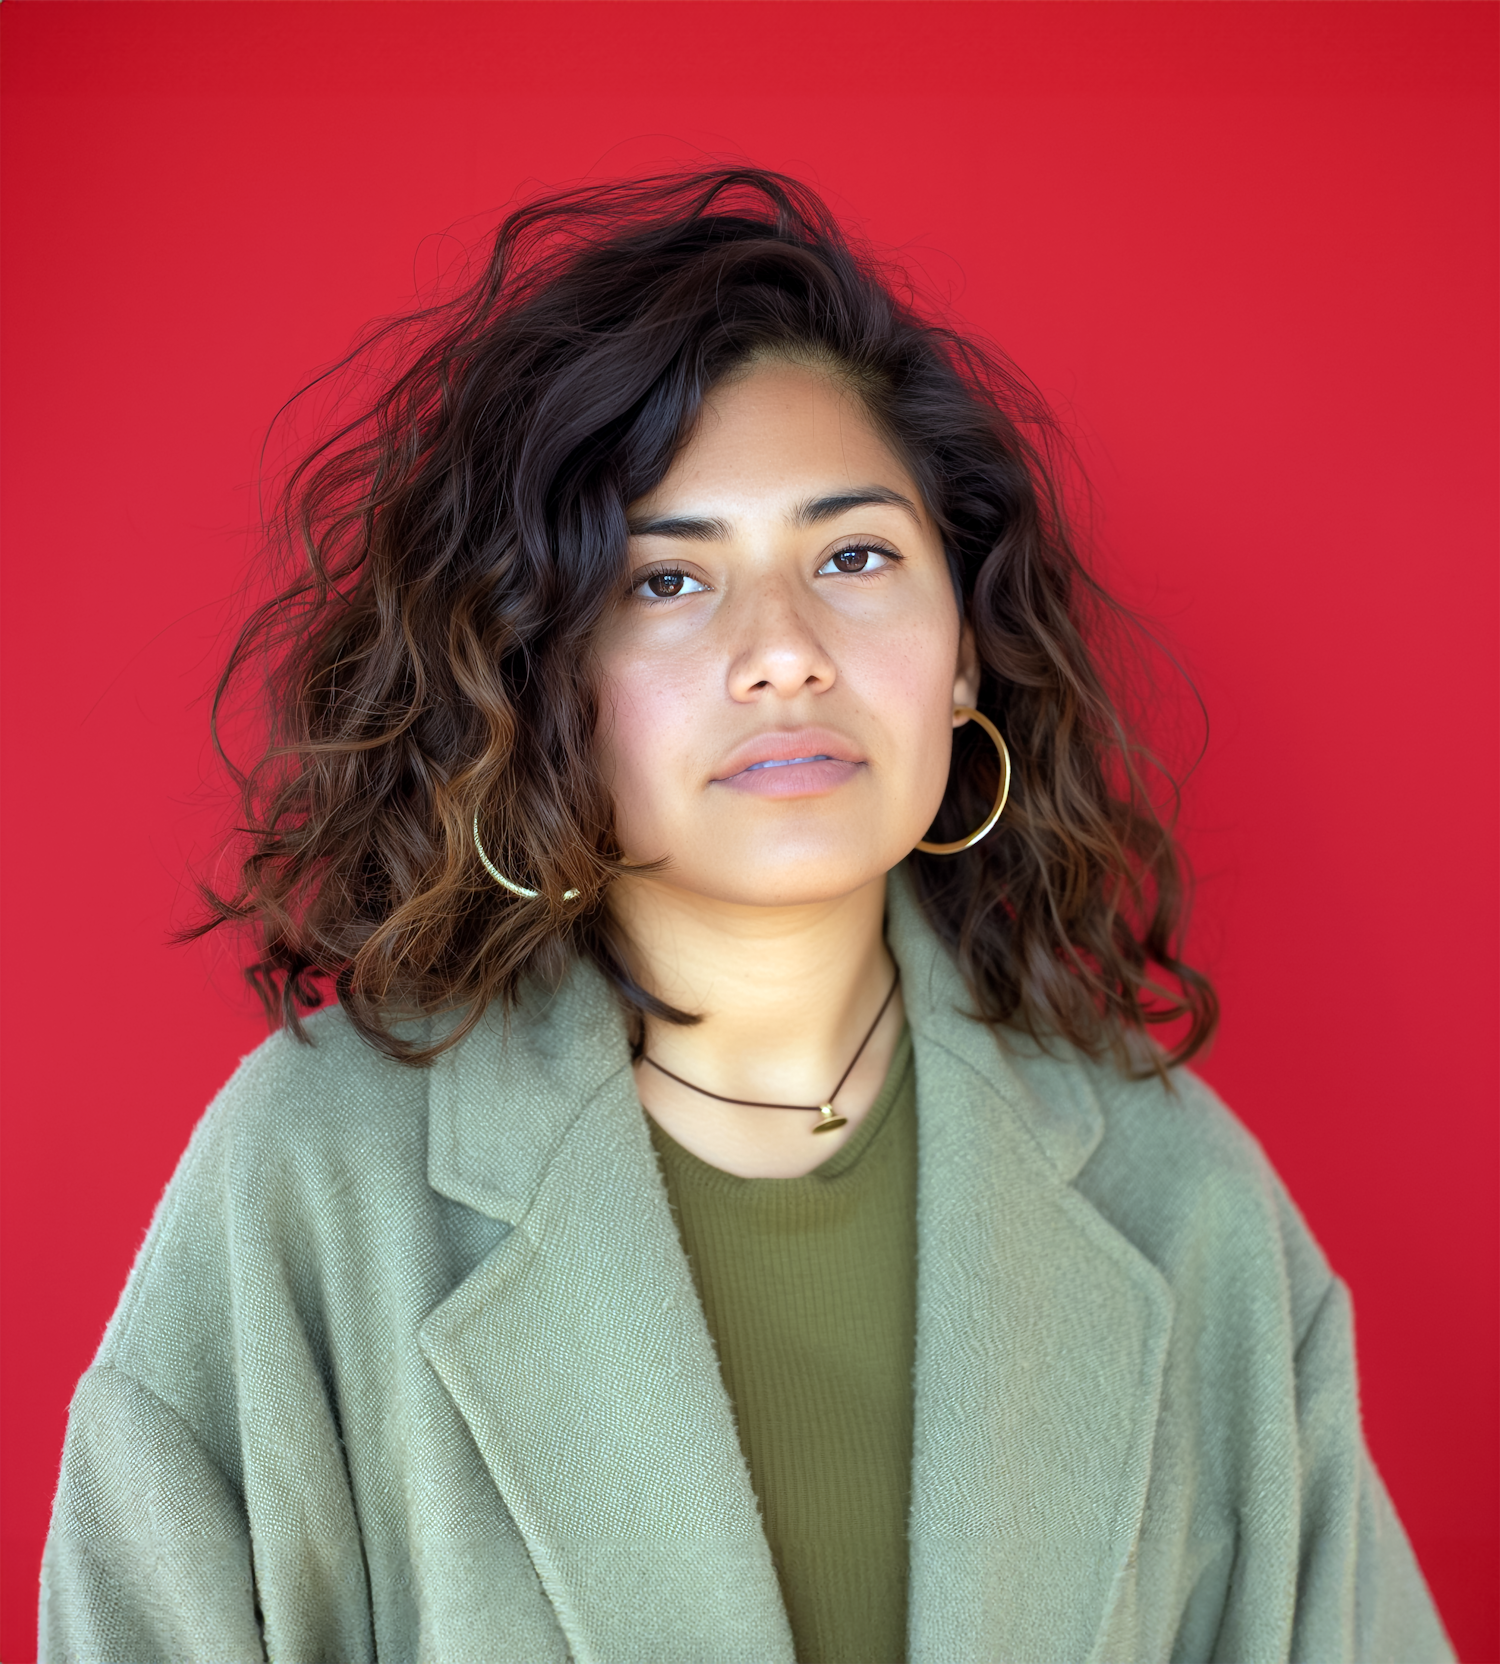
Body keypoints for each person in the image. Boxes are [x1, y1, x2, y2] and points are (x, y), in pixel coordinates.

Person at [39, 169, 1454, 1664]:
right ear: (537, 674)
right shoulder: (315, 1182)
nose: (781, 653)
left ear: (965, 652)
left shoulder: (1185, 1202)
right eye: (664, 579)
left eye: (853, 558)